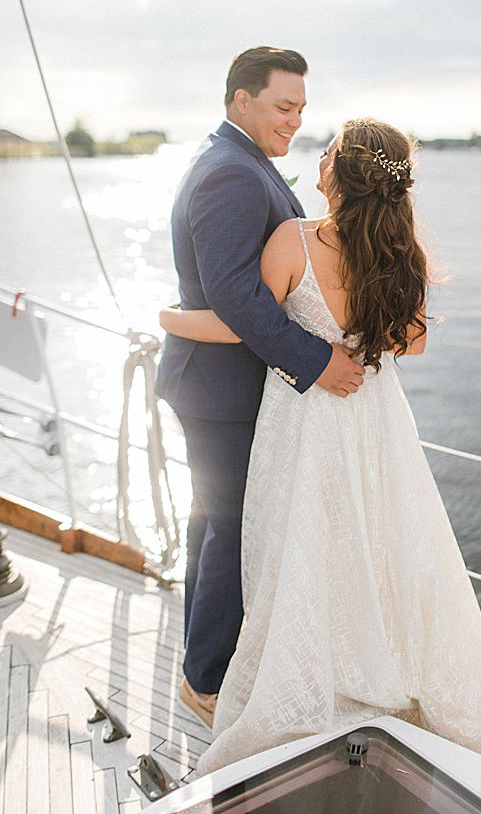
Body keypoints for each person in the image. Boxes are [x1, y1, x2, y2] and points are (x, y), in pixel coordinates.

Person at [162, 117, 481, 772]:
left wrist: (166, 318)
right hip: (377, 416)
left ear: (335, 175)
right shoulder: (403, 251)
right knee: (381, 541)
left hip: (306, 418)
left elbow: (243, 327)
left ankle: (314, 674)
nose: (316, 160)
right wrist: (360, 339)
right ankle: (378, 668)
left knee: (300, 544)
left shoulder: (292, 241)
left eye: (325, 153)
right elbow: (415, 342)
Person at [156, 46, 366, 727]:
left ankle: (205, 658)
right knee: (231, 532)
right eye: (282, 107)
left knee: (215, 530)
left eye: (301, 110)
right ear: (240, 100)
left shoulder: (243, 166)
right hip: (220, 391)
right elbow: (238, 296)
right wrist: (315, 360)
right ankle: (206, 679)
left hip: (220, 385)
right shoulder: (232, 176)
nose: (294, 122)